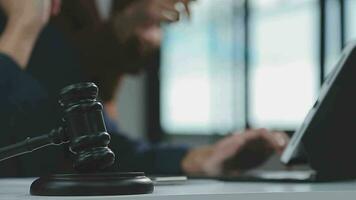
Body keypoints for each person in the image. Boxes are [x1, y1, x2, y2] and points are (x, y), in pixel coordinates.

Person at [0, 0, 288, 177]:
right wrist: (23, 26)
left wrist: (198, 159)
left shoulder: (49, 36)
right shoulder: (27, 23)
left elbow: (101, 146)